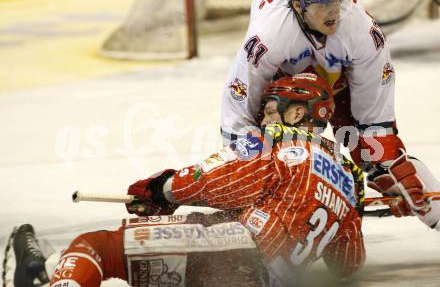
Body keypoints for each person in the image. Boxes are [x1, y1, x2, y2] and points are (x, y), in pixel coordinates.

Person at [7, 74, 365, 287]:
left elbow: (215, 181)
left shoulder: (285, 145)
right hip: (268, 280)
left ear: (297, 113)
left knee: (95, 247)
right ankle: (50, 273)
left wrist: (160, 189)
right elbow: (348, 265)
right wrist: (353, 208)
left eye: (271, 111)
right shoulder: (349, 179)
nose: (265, 120)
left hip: (237, 252)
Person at [220, 0, 440, 229]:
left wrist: (390, 167)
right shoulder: (268, 35)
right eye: (323, 5)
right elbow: (239, 109)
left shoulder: (362, 31)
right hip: (284, 86)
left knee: (383, 161)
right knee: (272, 152)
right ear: (297, 6)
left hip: (342, 84)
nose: (334, 11)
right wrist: (244, 170)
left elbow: (376, 122)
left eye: (337, 1)